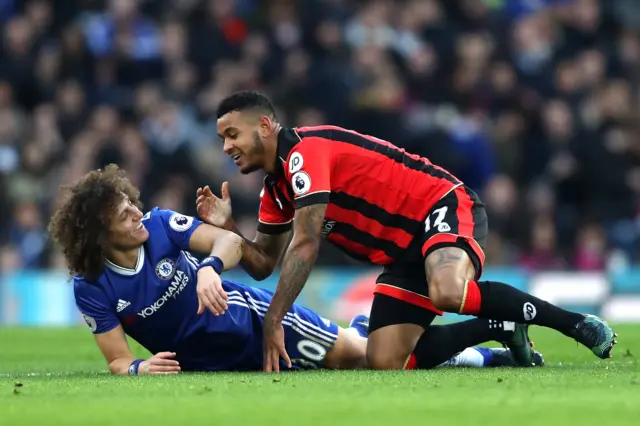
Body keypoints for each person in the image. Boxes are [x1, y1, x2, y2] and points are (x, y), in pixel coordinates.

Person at [205, 90, 616, 372]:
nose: (226, 146)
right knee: (384, 360)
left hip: (439, 205)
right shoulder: (276, 192)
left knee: (448, 291)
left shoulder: (305, 153)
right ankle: (499, 331)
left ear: (264, 125)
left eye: (232, 134)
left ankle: (575, 323)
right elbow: (262, 265)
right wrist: (228, 229)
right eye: (222, 138)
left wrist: (275, 319)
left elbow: (307, 242)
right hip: (401, 254)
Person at [48, 165, 540, 374]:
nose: (135, 211)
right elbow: (116, 360)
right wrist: (139, 367)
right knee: (364, 347)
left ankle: (492, 341)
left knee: (369, 360)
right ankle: (369, 326)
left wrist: (211, 267)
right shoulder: (91, 287)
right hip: (211, 362)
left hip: (255, 324)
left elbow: (223, 240)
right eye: (122, 211)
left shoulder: (158, 226)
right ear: (96, 230)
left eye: (131, 204)